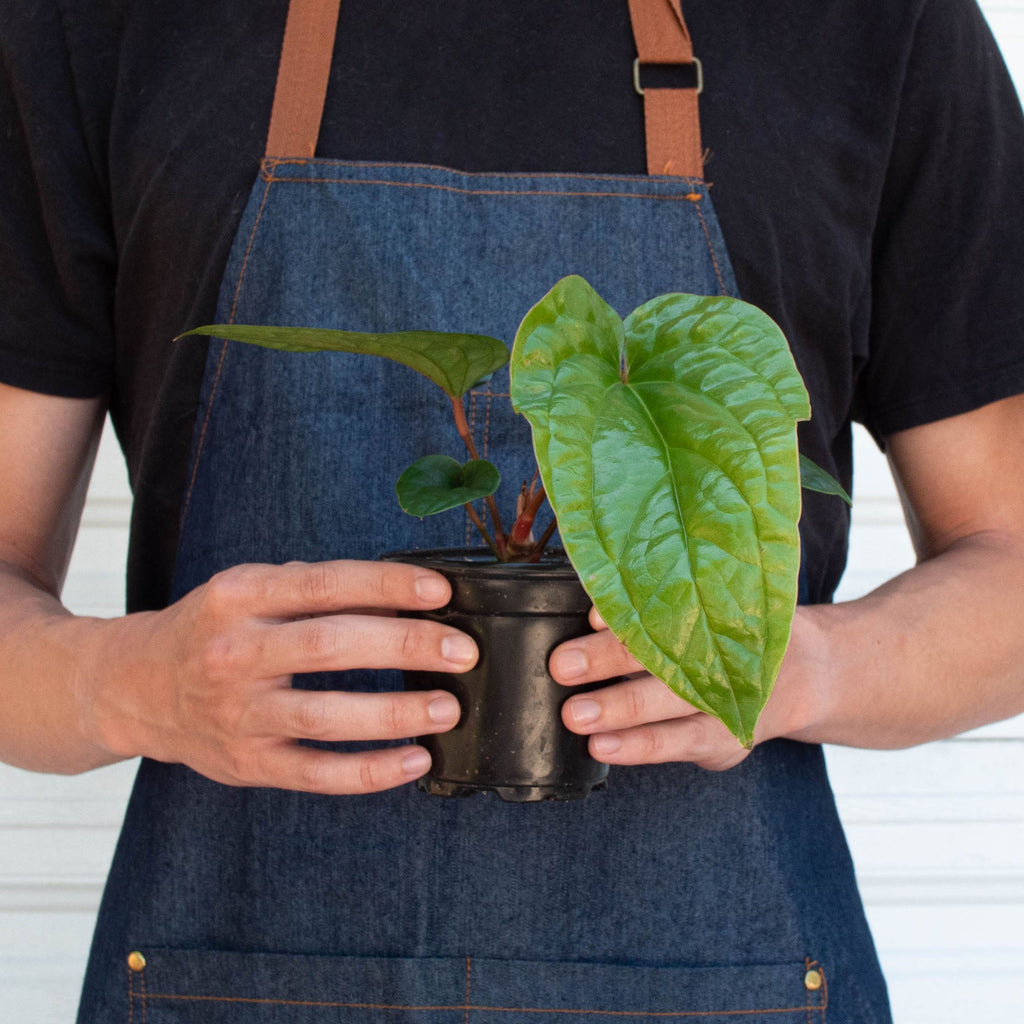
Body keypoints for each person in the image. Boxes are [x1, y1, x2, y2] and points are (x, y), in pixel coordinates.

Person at [3, 0, 1024, 1020]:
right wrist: (126, 684)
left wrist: (803, 667)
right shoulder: (100, 23)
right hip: (224, 985)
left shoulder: (874, 25)